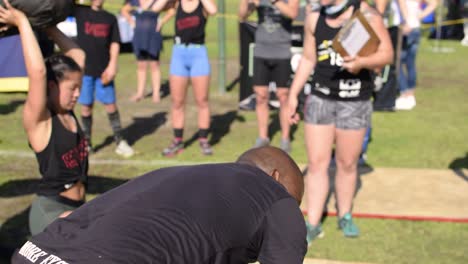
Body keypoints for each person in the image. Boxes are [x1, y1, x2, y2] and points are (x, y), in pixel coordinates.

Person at [11, 146, 307, 264]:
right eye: (296, 198)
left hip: (36, 253)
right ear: (276, 177)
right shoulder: (275, 196)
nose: (294, 208)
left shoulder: (183, 176)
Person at [287, 0, 393, 242]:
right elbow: (308, 58)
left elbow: (387, 54)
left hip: (355, 100)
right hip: (320, 99)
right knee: (317, 164)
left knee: (346, 164)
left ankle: (344, 215)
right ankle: (312, 222)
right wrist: (293, 94)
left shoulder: (365, 14)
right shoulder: (314, 17)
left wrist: (361, 63)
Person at [0, 0, 88, 235]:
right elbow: (37, 73)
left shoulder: (65, 111)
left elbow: (77, 54)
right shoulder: (40, 120)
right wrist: (21, 22)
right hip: (51, 210)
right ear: (52, 86)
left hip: (78, 206)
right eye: (72, 89)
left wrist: (48, 26)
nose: (77, 95)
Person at [149, 0, 217, 156]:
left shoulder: (203, 4)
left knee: (202, 100)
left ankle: (203, 140)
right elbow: (154, 9)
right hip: (179, 54)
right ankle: (177, 140)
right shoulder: (177, 3)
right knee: (177, 101)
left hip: (198, 53)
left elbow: (213, 10)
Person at [74, 0, 135, 157]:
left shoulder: (110, 18)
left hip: (104, 71)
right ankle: (86, 143)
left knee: (110, 105)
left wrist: (113, 65)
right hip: (85, 70)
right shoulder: (80, 12)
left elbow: (115, 43)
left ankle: (119, 141)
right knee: (86, 106)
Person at [239, 0, 300, 153]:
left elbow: (293, 13)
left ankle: (285, 138)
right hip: (261, 52)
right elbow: (242, 16)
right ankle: (263, 137)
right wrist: (248, 3)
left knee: (283, 96)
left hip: (281, 52)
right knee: (261, 96)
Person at [395, 0, 437, 110]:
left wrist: (407, 21)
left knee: (398, 62)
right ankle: (410, 94)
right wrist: (419, 17)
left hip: (407, 28)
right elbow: (433, 4)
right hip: (416, 27)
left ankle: (404, 94)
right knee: (410, 64)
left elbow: (402, 6)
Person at [121, 0, 163, 103]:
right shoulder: (134, 2)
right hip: (139, 37)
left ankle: (156, 93)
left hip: (153, 37)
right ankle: (140, 93)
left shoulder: (157, 2)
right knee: (141, 66)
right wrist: (131, 22)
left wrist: (162, 21)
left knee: (154, 65)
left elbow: (172, 10)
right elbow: (124, 10)